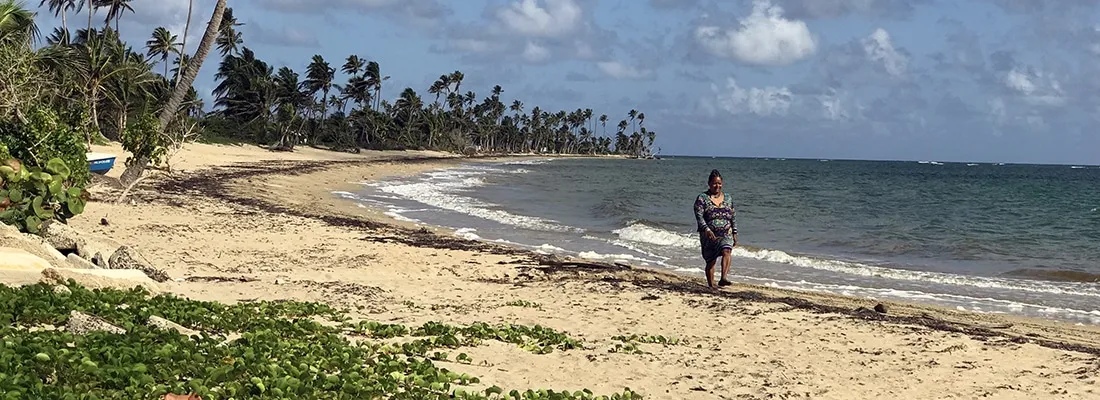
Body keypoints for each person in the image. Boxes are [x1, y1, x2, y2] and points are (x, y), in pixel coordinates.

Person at [693, 169, 738, 289]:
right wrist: (706, 229)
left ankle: (723, 278)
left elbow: (732, 215)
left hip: (726, 233)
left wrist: (734, 231)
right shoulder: (702, 198)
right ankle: (711, 285)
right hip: (709, 235)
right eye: (714, 183)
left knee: (727, 251)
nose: (717, 186)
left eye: (719, 183)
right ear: (709, 183)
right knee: (711, 260)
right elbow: (699, 216)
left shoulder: (728, 198)